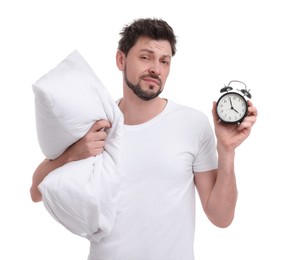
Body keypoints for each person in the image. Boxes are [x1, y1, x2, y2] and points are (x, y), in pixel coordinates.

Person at [30, 18, 258, 260]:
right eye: (145, 57)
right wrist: (72, 155)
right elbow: (36, 191)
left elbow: (221, 218)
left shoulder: (193, 124)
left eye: (164, 61)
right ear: (121, 60)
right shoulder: (96, 123)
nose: (156, 69)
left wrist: (227, 150)